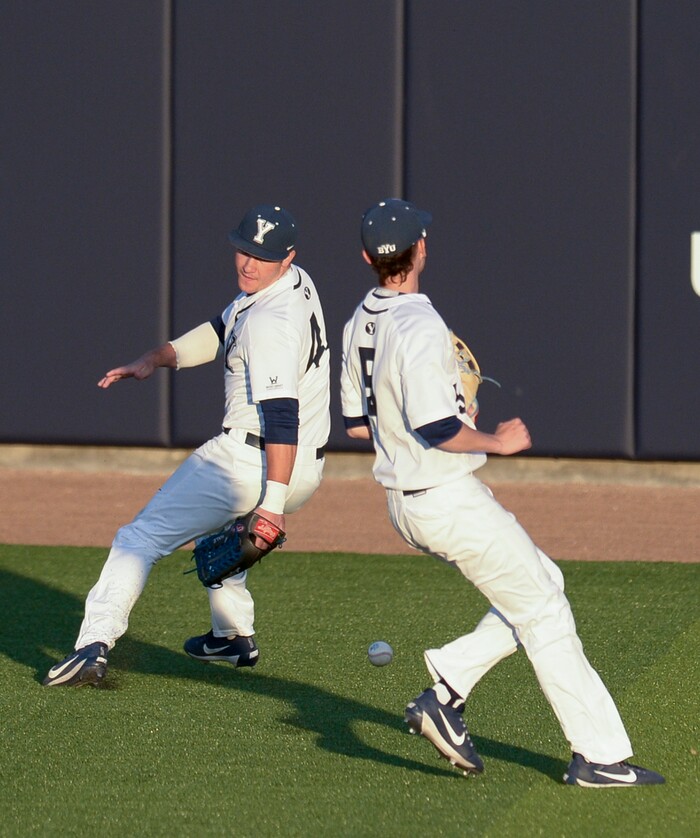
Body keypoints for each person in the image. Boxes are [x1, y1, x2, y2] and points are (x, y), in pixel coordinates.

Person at [340, 198, 664, 788]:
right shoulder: (419, 323)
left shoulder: (360, 319)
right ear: (421, 249)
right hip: (445, 497)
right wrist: (494, 439)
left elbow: (358, 425)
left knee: (543, 582)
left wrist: (443, 415)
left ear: (367, 258)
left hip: (405, 502)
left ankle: (448, 688)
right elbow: (436, 427)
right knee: (544, 610)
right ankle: (598, 757)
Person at [44, 204, 330, 687]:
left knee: (138, 539)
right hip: (304, 467)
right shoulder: (294, 283)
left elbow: (282, 414)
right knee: (221, 539)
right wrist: (156, 358)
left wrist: (273, 506)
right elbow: (222, 329)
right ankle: (232, 636)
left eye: (262, 257)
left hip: (253, 460)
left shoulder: (270, 321)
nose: (248, 264)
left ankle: (92, 646)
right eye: (244, 251)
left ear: (288, 257)